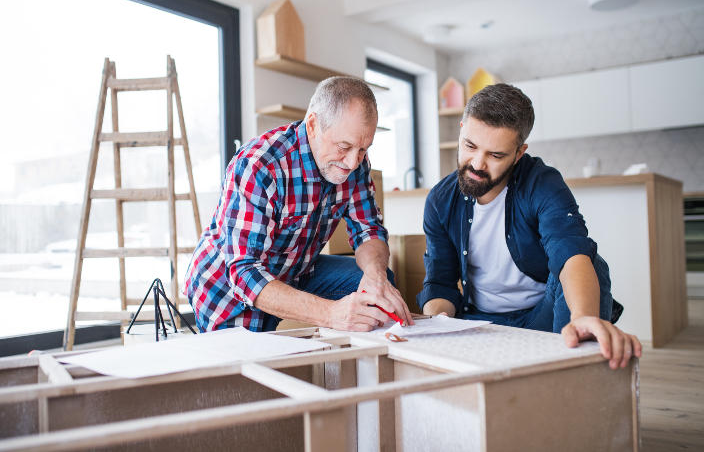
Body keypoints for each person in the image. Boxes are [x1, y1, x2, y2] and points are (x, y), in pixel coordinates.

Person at [418, 83, 641, 370]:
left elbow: (571, 253)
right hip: (479, 322)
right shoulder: (440, 199)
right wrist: (437, 325)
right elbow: (440, 282)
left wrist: (584, 317)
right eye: (469, 145)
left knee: (594, 263)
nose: (477, 163)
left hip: (541, 317)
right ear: (461, 129)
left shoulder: (542, 183)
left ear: (519, 152)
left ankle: (578, 363)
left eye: (495, 155)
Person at [184, 76, 413, 333]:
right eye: (344, 147)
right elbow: (244, 273)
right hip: (227, 291)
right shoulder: (260, 165)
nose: (352, 162)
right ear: (313, 125)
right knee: (253, 367)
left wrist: (376, 276)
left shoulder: (356, 162)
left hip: (295, 270)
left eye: (362, 149)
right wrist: (330, 314)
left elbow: (369, 230)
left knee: (377, 289)